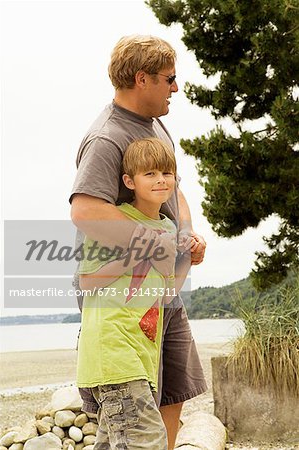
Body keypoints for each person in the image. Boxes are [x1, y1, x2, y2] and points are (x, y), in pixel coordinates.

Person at [70, 35, 207, 449]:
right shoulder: (107, 137)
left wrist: (185, 236)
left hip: (160, 291)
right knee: (133, 419)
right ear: (141, 78)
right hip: (120, 302)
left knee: (171, 394)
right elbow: (86, 210)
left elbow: (173, 190)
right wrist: (157, 244)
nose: (176, 88)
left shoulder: (155, 126)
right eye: (170, 79)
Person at [77, 138, 196, 449]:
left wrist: (189, 259)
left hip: (141, 352)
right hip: (114, 350)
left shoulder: (169, 227)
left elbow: (168, 289)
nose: (161, 180)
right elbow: (87, 281)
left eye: (167, 173)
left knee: (119, 441)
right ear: (129, 181)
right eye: (151, 174)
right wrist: (140, 252)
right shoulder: (114, 221)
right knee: (147, 440)